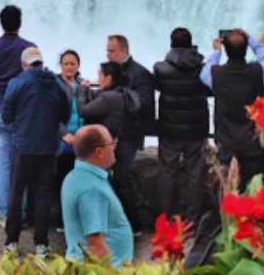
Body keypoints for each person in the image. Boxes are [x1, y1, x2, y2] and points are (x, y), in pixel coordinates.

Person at [2, 47, 70, 257]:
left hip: (22, 146)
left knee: (16, 193)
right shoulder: (56, 84)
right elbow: (65, 113)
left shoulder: (17, 83)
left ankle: (12, 241)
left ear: (24, 64)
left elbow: (6, 116)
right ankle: (41, 243)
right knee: (43, 195)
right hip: (48, 148)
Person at [0, 5, 36, 227]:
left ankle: (4, 212)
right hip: (22, 115)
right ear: (20, 22)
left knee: (1, 164)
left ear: (1, 22)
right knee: (20, 163)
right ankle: (20, 212)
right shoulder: (29, 49)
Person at [203, 29, 264, 185]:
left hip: (226, 141)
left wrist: (216, 53)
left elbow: (204, 73)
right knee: (254, 189)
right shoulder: (257, 71)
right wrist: (251, 40)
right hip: (253, 141)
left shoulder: (216, 74)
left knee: (228, 188)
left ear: (226, 50)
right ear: (246, 50)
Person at [154, 28, 211, 223]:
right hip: (196, 129)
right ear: (190, 43)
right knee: (195, 172)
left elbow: (159, 87)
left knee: (166, 172)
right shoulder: (203, 69)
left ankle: (164, 217)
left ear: (171, 43)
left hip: (169, 129)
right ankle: (193, 218)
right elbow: (209, 89)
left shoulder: (161, 68)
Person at [79, 61, 143, 231]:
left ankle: (125, 225)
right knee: (123, 182)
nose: (98, 79)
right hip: (127, 142)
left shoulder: (109, 98)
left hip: (113, 145)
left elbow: (84, 110)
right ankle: (134, 225)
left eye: (100, 76)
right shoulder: (127, 94)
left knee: (118, 184)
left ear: (108, 78)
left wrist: (82, 90)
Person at [60, 124, 134, 266]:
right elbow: (95, 243)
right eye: (112, 143)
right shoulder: (92, 189)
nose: (114, 147)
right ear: (99, 152)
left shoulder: (75, 176)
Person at [105, 34, 155, 230]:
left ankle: (133, 225)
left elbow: (144, 105)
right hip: (117, 132)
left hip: (130, 133)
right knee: (116, 177)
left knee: (122, 177)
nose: (108, 55)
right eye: (107, 51)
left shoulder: (139, 73)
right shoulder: (116, 71)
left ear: (124, 51)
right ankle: (122, 222)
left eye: (112, 51)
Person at [54, 50, 94, 210]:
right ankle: (63, 215)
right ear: (61, 65)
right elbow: (52, 113)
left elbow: (91, 108)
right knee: (63, 176)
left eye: (73, 64)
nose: (69, 67)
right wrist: (64, 134)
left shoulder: (82, 84)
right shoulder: (55, 85)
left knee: (82, 177)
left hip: (81, 136)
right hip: (64, 137)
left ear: (78, 66)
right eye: (66, 64)